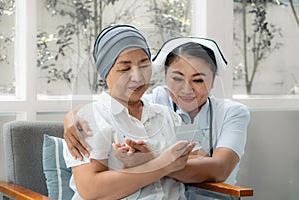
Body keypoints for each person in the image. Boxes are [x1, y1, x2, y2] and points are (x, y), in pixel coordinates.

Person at [63, 36, 250, 187]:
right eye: (177, 78)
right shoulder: (154, 101)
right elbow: (114, 104)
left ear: (213, 79)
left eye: (198, 80)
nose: (186, 90)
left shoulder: (231, 112)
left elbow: (220, 168)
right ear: (166, 76)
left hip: (214, 192)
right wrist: (72, 117)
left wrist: (151, 161)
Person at [62, 24, 196, 200]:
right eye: (125, 69)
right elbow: (91, 190)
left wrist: (151, 159)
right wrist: (162, 165)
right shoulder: (88, 119)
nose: (138, 77)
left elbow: (202, 165)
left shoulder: (168, 116)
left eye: (144, 65)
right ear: (105, 72)